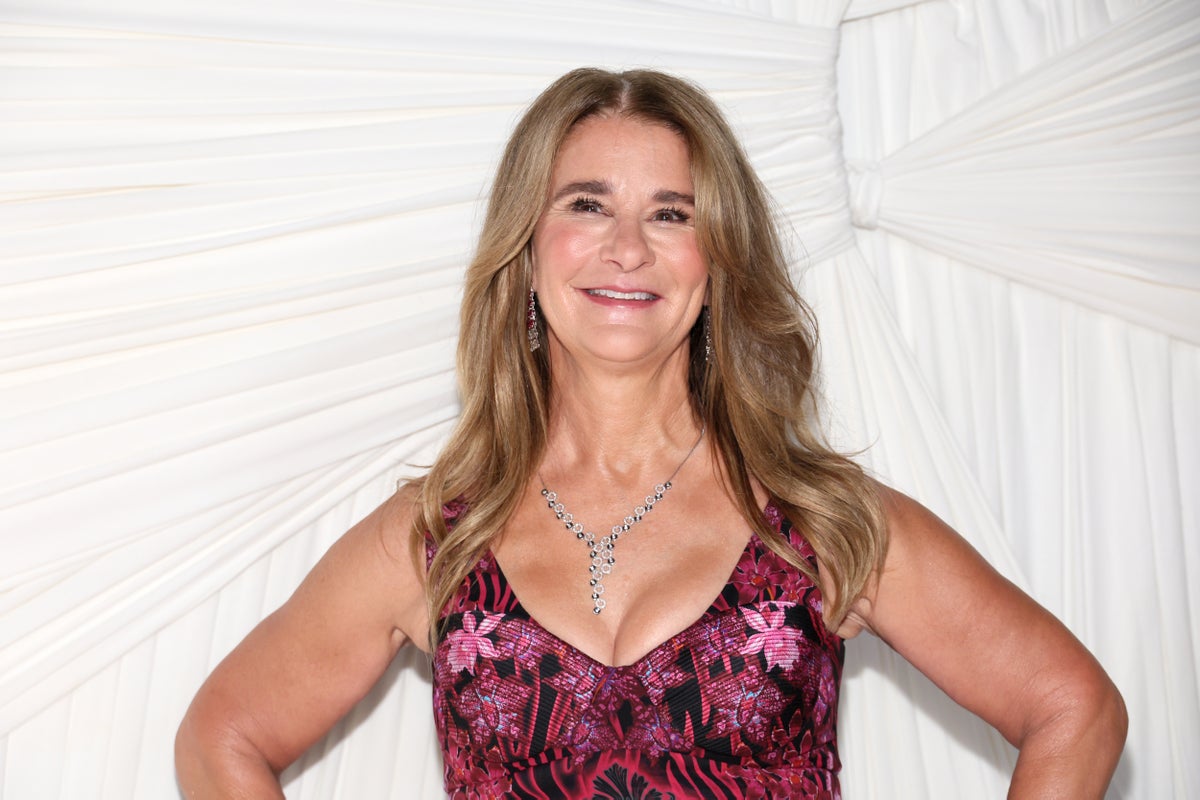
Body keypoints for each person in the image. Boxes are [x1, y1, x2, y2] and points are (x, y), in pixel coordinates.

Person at [175, 68, 1126, 799]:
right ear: (527, 247)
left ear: (717, 262)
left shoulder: (821, 522)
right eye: (588, 204)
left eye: (672, 214)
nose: (627, 248)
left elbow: (1074, 710)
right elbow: (222, 738)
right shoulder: (435, 538)